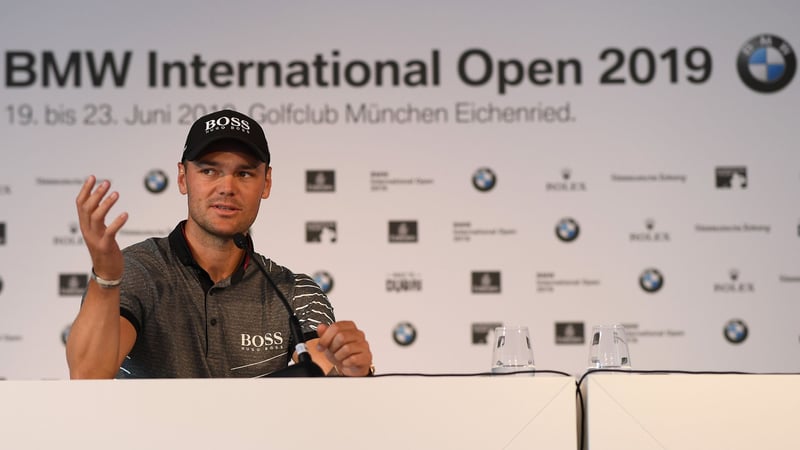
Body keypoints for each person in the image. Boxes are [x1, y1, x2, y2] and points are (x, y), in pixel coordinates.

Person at [66, 109, 373, 378]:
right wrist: (106, 276)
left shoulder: (293, 291)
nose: (227, 187)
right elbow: (88, 375)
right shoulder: (138, 271)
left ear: (265, 183)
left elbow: (321, 378)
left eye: (244, 173)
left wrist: (349, 372)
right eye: (209, 170)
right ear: (183, 177)